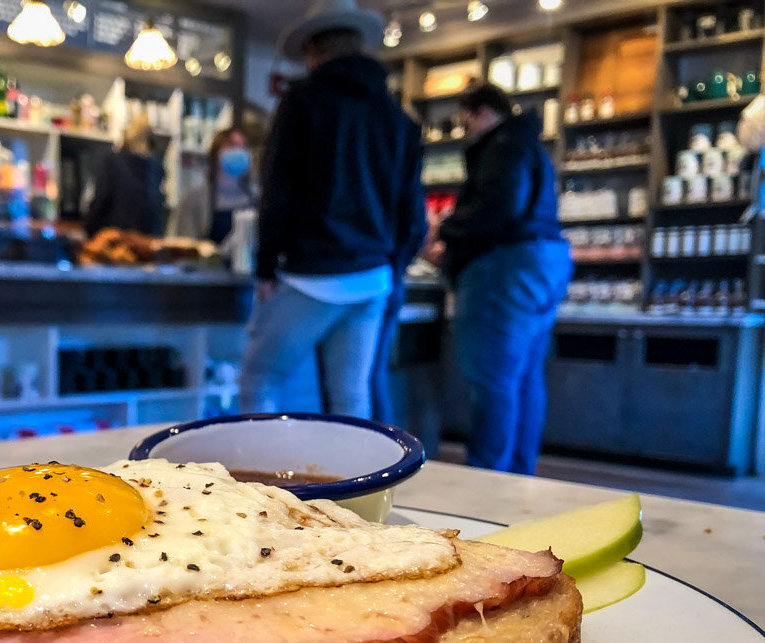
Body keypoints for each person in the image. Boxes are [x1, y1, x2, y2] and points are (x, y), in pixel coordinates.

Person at [240, 0, 426, 420]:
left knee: (260, 378)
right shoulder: (398, 117)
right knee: (351, 400)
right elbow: (413, 215)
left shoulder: (302, 101)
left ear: (313, 52)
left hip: (313, 275)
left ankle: (253, 484)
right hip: (373, 277)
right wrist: (389, 267)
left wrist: (267, 266)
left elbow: (278, 189)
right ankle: (355, 486)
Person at [435, 82, 572, 475]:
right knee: (525, 377)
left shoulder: (502, 144)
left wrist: (447, 233)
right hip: (546, 260)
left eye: (465, 122)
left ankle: (487, 484)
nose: (466, 131)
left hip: (506, 267)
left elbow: (496, 209)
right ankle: (517, 475)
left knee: (493, 379)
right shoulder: (529, 144)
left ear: (480, 113)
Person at [83, 114, 165, 237]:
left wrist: (88, 230)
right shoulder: (156, 167)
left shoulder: (112, 162)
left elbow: (100, 200)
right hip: (147, 244)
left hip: (114, 240)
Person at [171, 127, 257, 243]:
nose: (239, 151)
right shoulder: (194, 200)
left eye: (243, 146)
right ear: (216, 153)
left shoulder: (257, 197)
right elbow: (185, 248)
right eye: (231, 145)